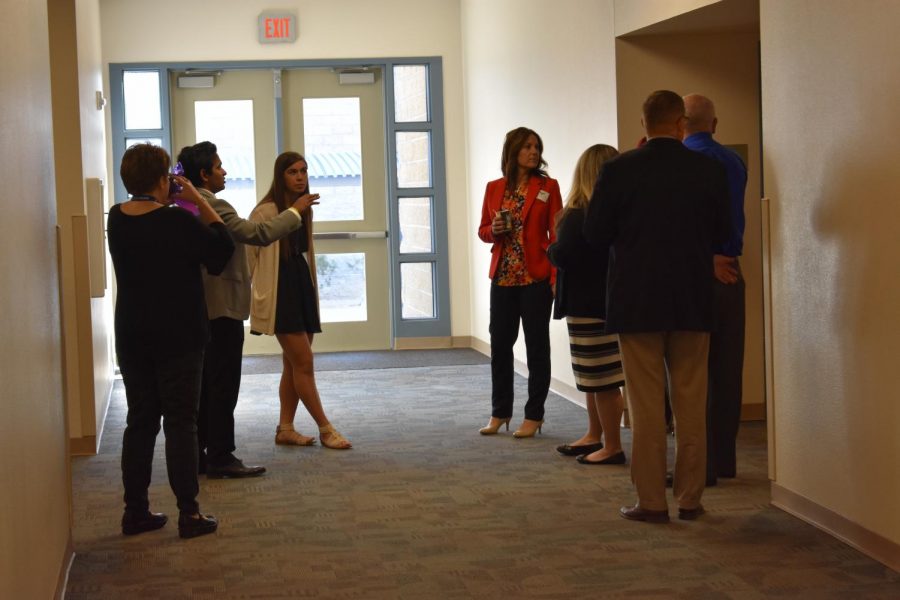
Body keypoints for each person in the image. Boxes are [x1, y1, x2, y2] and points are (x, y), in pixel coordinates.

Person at [584, 91, 732, 523]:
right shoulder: (707, 169)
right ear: (681, 124)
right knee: (691, 403)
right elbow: (723, 232)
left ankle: (650, 501)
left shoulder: (618, 170)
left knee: (646, 406)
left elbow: (595, 234)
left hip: (637, 301)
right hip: (691, 299)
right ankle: (690, 498)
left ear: (644, 123)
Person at [108, 143, 234, 539]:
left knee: (140, 422)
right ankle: (189, 513)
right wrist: (196, 197)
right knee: (181, 423)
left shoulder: (117, 218)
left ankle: (136, 512)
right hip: (180, 335)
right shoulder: (178, 221)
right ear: (165, 179)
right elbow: (222, 249)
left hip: (132, 335)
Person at [178, 141, 311, 478]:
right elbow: (259, 233)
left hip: (204, 308)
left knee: (208, 385)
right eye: (219, 166)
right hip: (220, 308)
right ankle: (221, 456)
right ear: (205, 174)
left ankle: (205, 454)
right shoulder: (211, 204)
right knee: (222, 385)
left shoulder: (186, 203)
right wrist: (295, 211)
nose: (225, 171)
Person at [247, 151, 351, 449]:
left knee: (293, 364)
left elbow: (300, 252)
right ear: (281, 177)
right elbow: (250, 254)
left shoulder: (305, 209)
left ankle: (285, 428)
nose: (300, 177)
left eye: (304, 171)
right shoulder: (266, 211)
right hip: (279, 291)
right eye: (292, 172)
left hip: (298, 283)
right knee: (304, 362)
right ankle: (326, 428)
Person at [477, 127, 563, 438]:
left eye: (537, 146)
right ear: (513, 151)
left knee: (537, 347)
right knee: (500, 345)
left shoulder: (548, 187)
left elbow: (557, 236)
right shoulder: (494, 187)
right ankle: (500, 412)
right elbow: (483, 230)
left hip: (535, 277)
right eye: (527, 146)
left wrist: (555, 277)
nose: (533, 151)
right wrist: (494, 229)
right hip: (503, 277)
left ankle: (534, 414)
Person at [682, 94, 748, 486]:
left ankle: (699, 466)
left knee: (693, 374)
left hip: (696, 275)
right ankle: (725, 460)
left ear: (679, 124)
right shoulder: (733, 161)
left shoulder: (683, 164)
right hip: (732, 272)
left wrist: (704, 258)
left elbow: (687, 224)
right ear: (715, 124)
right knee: (727, 371)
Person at [547, 144, 626, 465]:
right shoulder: (612, 214)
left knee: (601, 380)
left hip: (586, 305)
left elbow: (563, 255)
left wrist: (550, 248)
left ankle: (613, 446)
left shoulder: (577, 215)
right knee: (594, 378)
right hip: (607, 302)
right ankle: (595, 435)